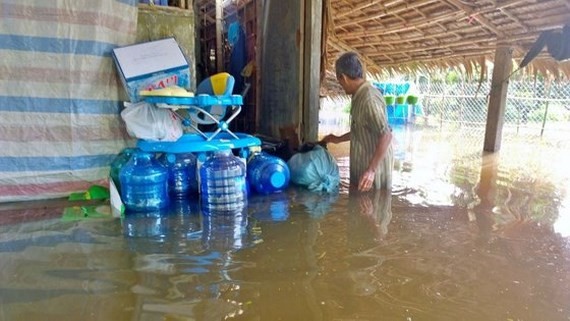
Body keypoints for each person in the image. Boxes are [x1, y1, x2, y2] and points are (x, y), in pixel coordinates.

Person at [321, 51, 393, 191]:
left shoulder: (369, 99)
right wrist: (337, 139)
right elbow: (361, 129)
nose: (341, 85)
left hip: (374, 173)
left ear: (343, 77)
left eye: (339, 81)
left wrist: (371, 171)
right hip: (364, 168)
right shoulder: (358, 96)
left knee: (374, 208)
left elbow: (387, 135)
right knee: (359, 208)